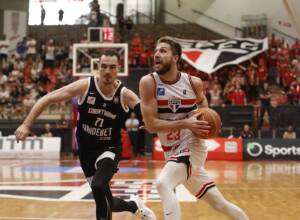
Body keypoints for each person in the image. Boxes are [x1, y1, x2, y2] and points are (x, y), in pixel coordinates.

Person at [15, 49, 156, 220]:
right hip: (86, 151)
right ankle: (133, 206)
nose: (107, 71)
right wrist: (26, 124)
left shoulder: (124, 94)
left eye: (112, 67)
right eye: (104, 66)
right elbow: (48, 98)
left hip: (109, 148)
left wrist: (148, 123)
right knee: (106, 201)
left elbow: (147, 115)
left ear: (117, 69)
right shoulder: (85, 87)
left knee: (98, 185)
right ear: (98, 68)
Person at [139, 36, 249, 220]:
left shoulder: (193, 83)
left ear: (175, 58)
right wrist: (185, 122)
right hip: (171, 151)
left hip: (193, 146)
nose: (157, 54)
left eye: (163, 51)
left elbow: (204, 109)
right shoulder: (148, 83)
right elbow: (151, 126)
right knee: (219, 203)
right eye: (156, 51)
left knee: (163, 183)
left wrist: (204, 120)